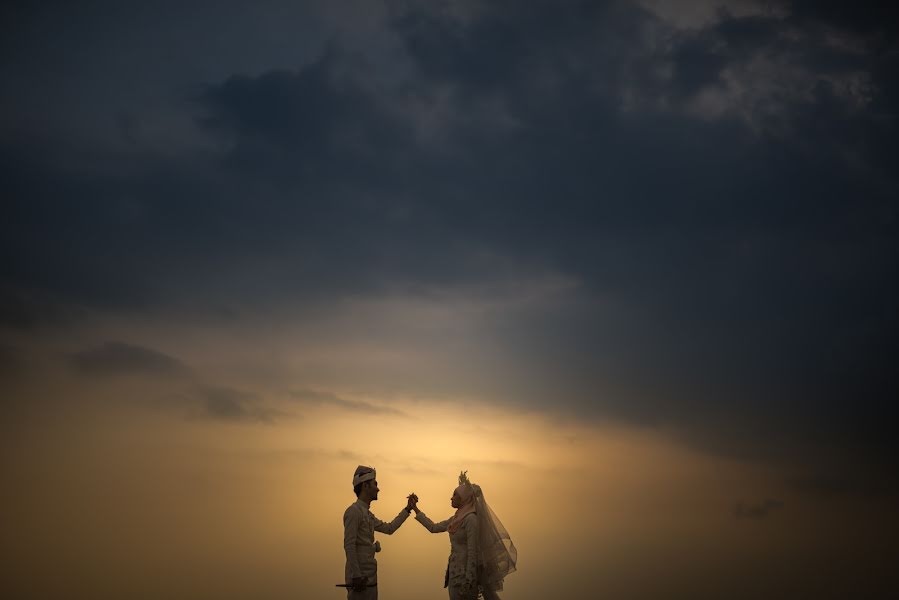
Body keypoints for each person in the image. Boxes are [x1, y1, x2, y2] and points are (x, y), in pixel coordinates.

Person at [410, 471, 517, 600]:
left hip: (465, 578)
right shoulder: (456, 518)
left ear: (464, 498)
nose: (451, 498)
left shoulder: (471, 519)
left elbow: (472, 551)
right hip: (454, 575)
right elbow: (434, 528)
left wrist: (469, 580)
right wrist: (415, 509)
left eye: (455, 495)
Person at [343, 465, 416, 599]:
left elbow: (389, 529)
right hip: (359, 582)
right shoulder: (353, 512)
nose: (378, 488)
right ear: (365, 486)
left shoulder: (368, 515)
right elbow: (349, 546)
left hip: (370, 580)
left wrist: (408, 509)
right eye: (375, 484)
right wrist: (356, 575)